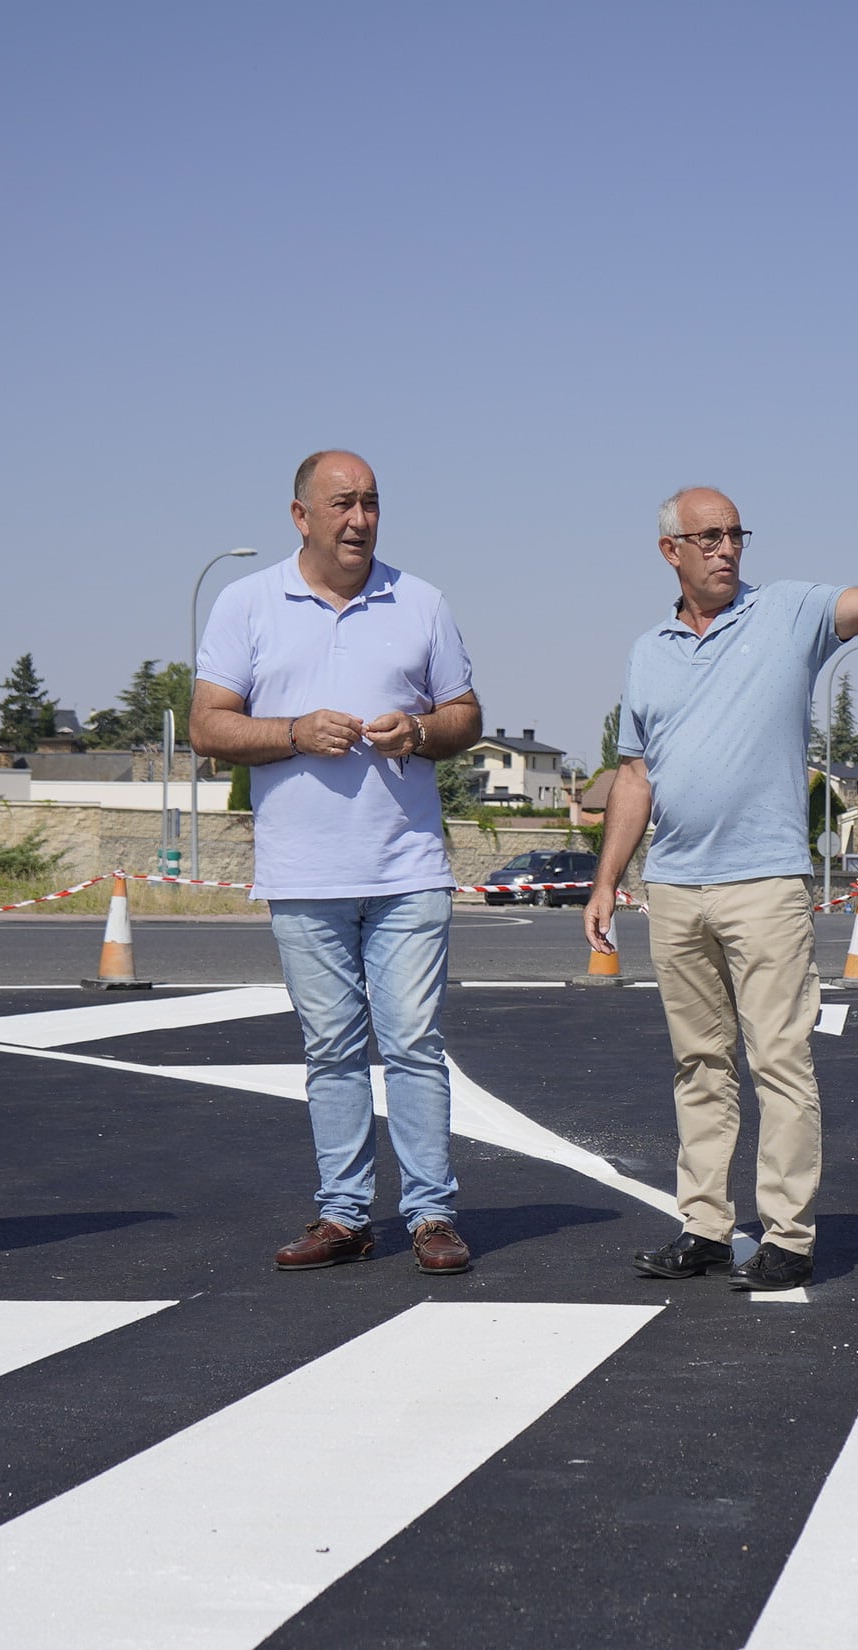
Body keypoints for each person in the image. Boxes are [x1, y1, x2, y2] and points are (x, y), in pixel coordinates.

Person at [585, 480, 858, 1291]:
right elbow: (634, 775)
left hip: (764, 884)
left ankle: (789, 1237)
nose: (728, 548)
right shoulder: (647, 649)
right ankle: (703, 1227)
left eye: (737, 534)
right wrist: (606, 879)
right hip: (675, 886)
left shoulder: (788, 613)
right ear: (672, 552)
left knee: (780, 1062)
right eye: (710, 537)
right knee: (699, 1065)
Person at [191, 450, 487, 1275]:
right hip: (304, 875)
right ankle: (345, 1214)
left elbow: (465, 714)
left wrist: (422, 732)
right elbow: (210, 726)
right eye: (342, 504)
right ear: (301, 517)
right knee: (331, 1050)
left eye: (371, 503)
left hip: (407, 871)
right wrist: (291, 732)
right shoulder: (246, 603)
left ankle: (431, 1216)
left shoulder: (420, 601)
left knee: (415, 1046)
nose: (360, 519)